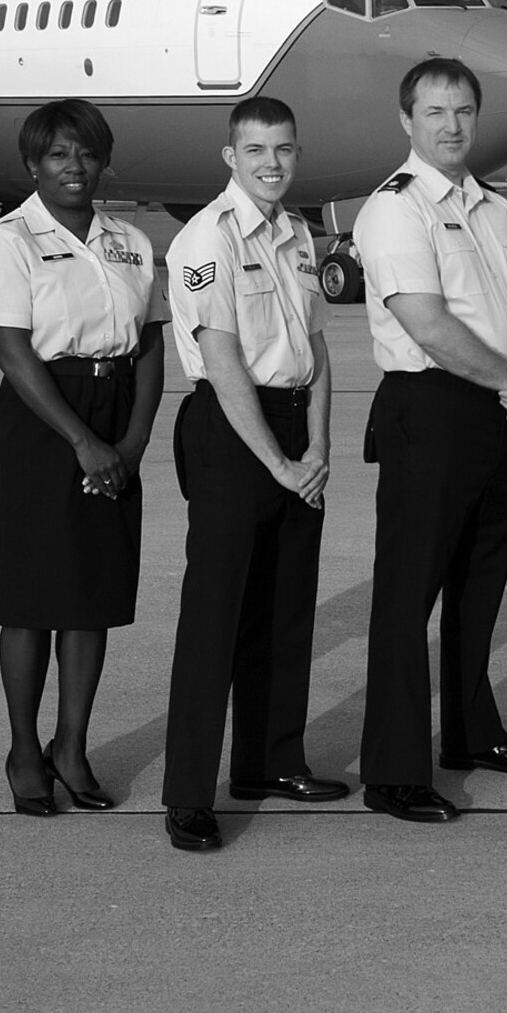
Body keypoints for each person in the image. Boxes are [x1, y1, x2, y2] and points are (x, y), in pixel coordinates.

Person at [355, 58, 507, 824]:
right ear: (407, 120)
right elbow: (428, 325)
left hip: (492, 411)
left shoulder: (493, 206)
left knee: (479, 586)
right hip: (431, 410)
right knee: (408, 599)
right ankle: (394, 771)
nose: (450, 124)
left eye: (463, 110)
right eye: (434, 111)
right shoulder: (395, 209)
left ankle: (472, 734)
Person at [159, 97, 347, 852]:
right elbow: (225, 359)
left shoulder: (299, 234)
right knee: (216, 617)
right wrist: (277, 461)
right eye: (257, 150)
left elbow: (319, 351)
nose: (273, 163)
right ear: (230, 157)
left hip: (296, 428)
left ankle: (271, 761)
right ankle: (187, 795)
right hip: (235, 435)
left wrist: (319, 450)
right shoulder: (206, 238)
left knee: (285, 607)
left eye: (285, 149)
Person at [0, 99, 167, 817]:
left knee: (91, 597)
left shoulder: (130, 242)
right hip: (41, 419)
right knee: (28, 597)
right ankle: (25, 750)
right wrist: (82, 442)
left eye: (86, 154)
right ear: (33, 164)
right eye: (58, 155)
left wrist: (133, 441)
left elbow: (149, 344)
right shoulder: (7, 238)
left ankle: (72, 747)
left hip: (115, 414)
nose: (74, 167)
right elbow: (10, 350)